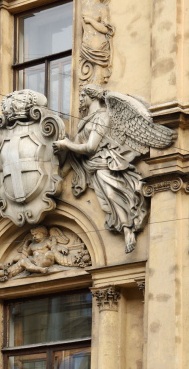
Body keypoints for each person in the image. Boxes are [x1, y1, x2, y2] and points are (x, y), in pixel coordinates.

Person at [54, 84, 147, 253]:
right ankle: (125, 227)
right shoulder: (85, 122)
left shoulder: (103, 116)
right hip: (93, 167)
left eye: (83, 95)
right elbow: (76, 153)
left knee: (112, 195)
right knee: (106, 202)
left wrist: (66, 144)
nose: (80, 99)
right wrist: (60, 174)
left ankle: (128, 230)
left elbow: (90, 147)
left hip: (105, 163)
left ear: (92, 96)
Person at [80, 0, 115, 85]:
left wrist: (91, 21)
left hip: (99, 45)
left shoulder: (103, 8)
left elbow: (105, 29)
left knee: (97, 76)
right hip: (86, 45)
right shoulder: (85, 2)